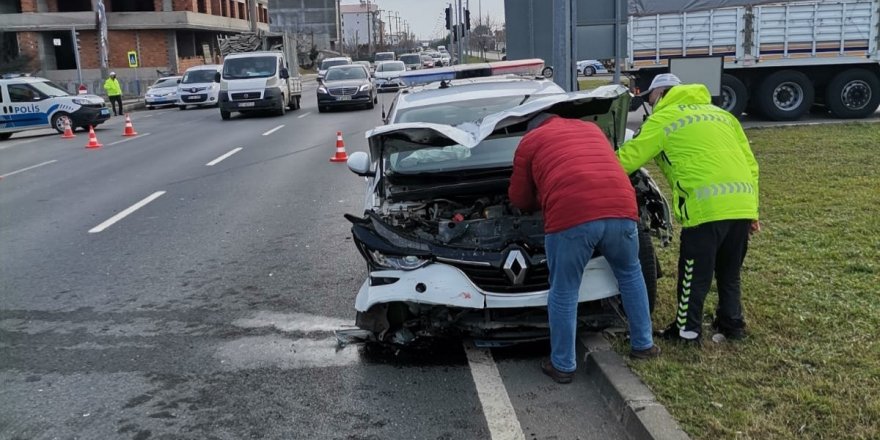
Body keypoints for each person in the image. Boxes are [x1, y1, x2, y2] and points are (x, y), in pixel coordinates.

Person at [509, 113, 660, 384]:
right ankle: (644, 345)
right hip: (622, 209)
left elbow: (519, 197)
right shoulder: (591, 128)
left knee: (565, 290)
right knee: (630, 273)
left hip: (572, 216)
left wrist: (534, 204)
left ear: (530, 127)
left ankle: (563, 365)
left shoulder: (531, 140)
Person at [616, 74, 760, 345]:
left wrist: (595, 163)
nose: (650, 102)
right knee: (729, 270)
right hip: (742, 203)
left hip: (705, 208)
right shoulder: (723, 116)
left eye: (649, 97)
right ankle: (733, 324)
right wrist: (753, 211)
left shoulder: (664, 119)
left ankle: (687, 332)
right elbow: (751, 164)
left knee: (694, 273)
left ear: (659, 93)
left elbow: (627, 160)